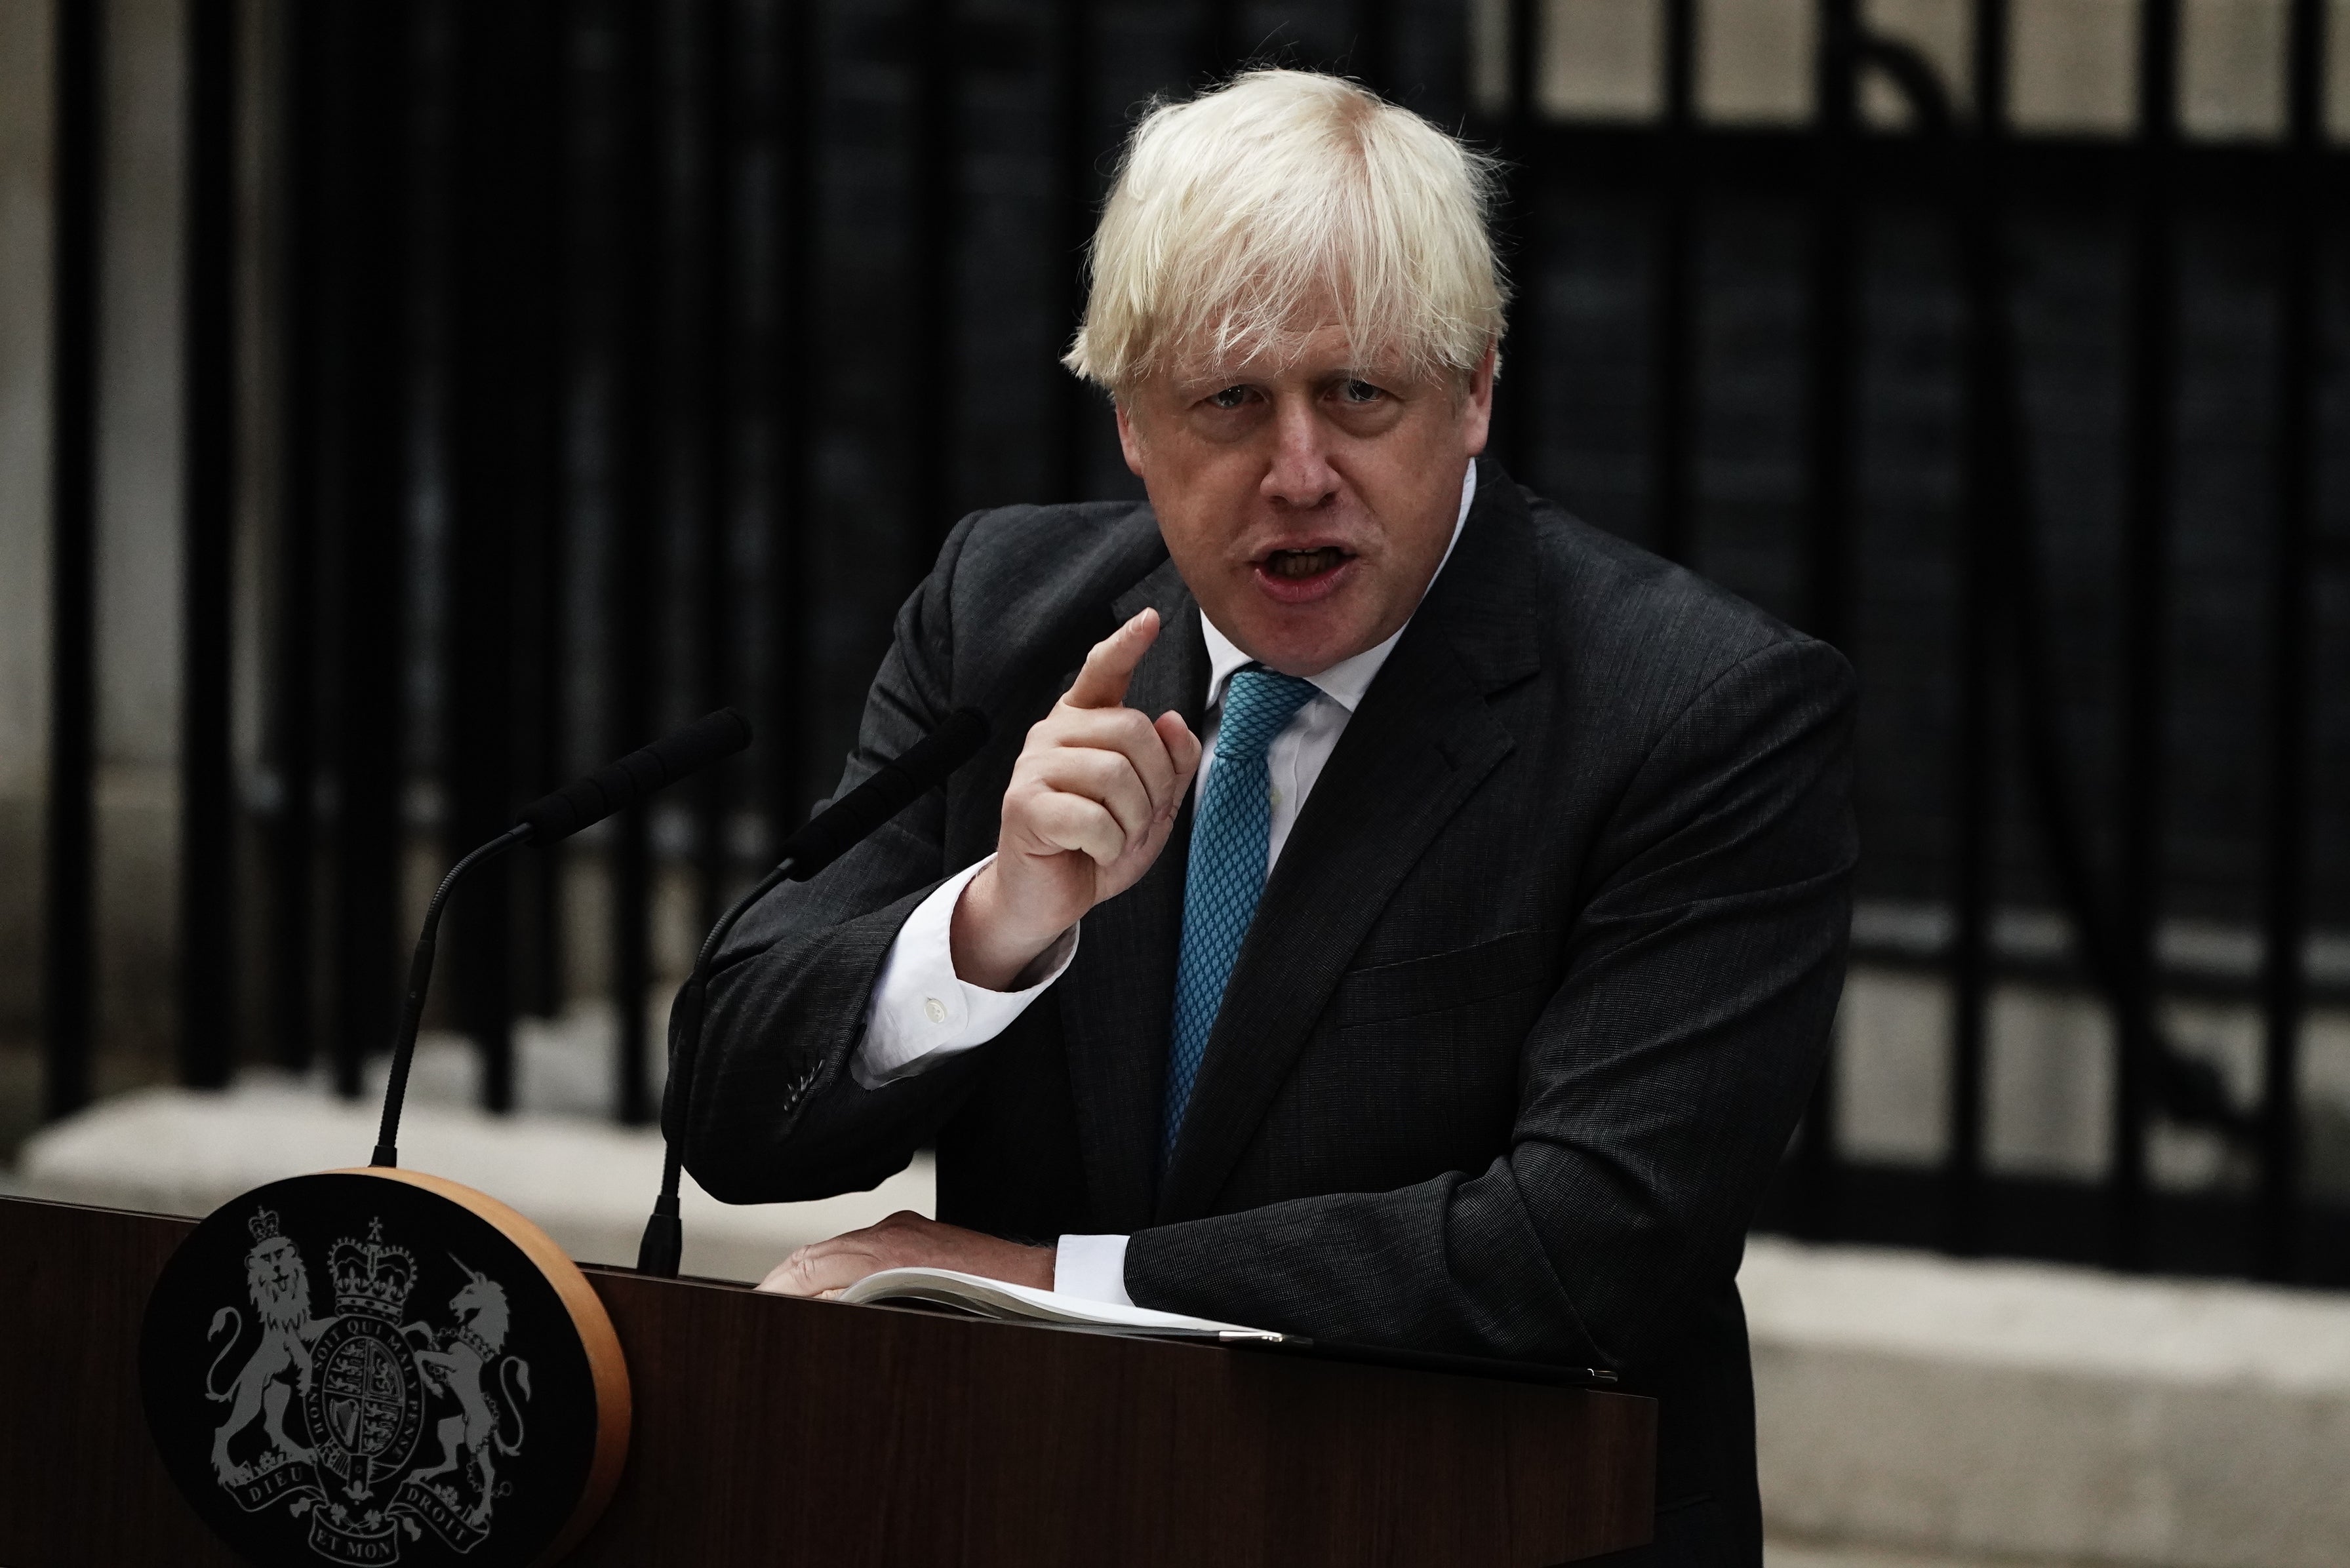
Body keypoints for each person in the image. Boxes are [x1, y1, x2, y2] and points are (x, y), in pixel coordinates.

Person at [679, 68, 1854, 1565]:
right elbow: (728, 1111)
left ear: (1476, 388)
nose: (1299, 474)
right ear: (1129, 422)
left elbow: (1589, 1247)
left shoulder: (1701, 709)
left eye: (1359, 394)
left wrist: (1044, 1277)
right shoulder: (1006, 622)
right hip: (1041, 1506)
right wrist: (989, 926)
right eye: (1230, 401)